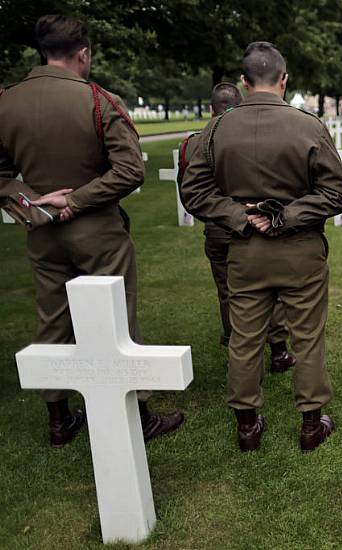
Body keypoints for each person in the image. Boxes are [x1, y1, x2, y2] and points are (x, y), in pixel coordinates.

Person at [0, 14, 184, 447]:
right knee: (117, 319)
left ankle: (59, 418)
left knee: (52, 318)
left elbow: (2, 174)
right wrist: (76, 200)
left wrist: (30, 201)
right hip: (98, 230)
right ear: (83, 54)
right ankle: (138, 415)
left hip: (40, 230)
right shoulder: (98, 100)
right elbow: (129, 170)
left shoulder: (6, 102)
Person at [180, 42, 342, 452]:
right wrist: (281, 217)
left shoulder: (217, 128)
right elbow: (337, 193)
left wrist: (246, 217)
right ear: (284, 79)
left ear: (244, 82)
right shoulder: (309, 126)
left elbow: (195, 192)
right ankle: (310, 424)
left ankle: (247, 425)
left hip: (246, 249)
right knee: (307, 336)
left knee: (244, 337)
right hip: (299, 251)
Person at [177, 82, 296, 373]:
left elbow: (189, 190)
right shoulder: (255, 131)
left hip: (218, 226)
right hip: (259, 223)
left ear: (210, 108)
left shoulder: (196, 141)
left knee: (228, 291)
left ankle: (239, 351)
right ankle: (278, 349)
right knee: (271, 288)